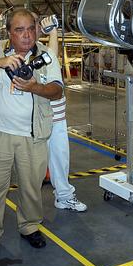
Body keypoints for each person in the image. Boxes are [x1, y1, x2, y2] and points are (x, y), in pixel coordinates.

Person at [0, 8, 63, 258]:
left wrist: (34, 86)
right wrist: (2, 63)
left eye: (31, 28)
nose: (27, 35)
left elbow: (57, 90)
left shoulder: (46, 55)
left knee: (31, 186)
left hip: (33, 135)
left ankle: (29, 226)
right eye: (19, 30)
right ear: (8, 33)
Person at [34, 13, 86, 212]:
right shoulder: (21, 53)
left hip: (57, 117)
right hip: (36, 118)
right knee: (31, 165)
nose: (36, 29)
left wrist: (53, 31)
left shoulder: (43, 52)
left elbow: (51, 56)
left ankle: (64, 196)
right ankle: (29, 206)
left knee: (60, 158)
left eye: (36, 25)